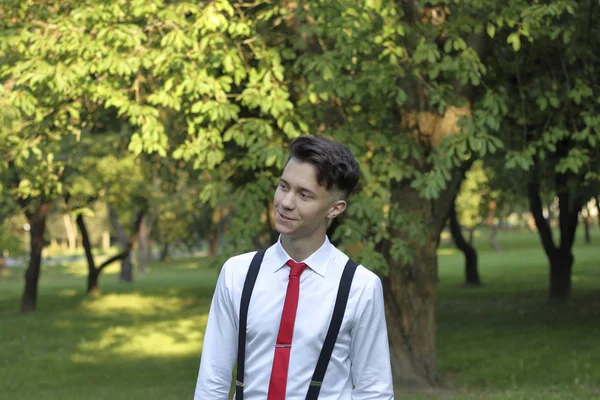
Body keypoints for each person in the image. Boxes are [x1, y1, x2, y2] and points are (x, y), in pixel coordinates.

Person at [193, 136, 394, 399]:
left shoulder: (360, 286)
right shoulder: (237, 274)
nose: (286, 202)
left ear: (335, 208)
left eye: (304, 194)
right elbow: (213, 379)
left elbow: (374, 390)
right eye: (283, 186)